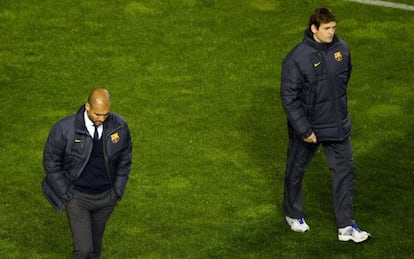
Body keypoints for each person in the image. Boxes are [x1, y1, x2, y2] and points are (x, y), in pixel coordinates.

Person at [279, 8, 370, 243]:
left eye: (334, 28)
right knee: (295, 172)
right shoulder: (296, 58)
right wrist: (304, 130)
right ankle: (293, 213)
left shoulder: (342, 50)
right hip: (309, 129)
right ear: (314, 29)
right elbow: (289, 97)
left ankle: (346, 226)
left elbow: (343, 80)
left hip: (338, 125)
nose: (332, 32)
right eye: (327, 28)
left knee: (345, 174)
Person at [42, 88, 133, 258]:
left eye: (105, 114)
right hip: (78, 198)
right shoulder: (64, 129)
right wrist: (65, 193)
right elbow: (50, 161)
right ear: (87, 107)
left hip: (106, 198)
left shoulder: (119, 126)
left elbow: (125, 160)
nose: (101, 119)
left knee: (95, 248)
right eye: (98, 114)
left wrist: (117, 191)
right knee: (83, 250)